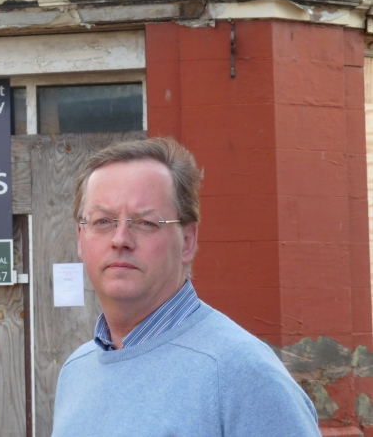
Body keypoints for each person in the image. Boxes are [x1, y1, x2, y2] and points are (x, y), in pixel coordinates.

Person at [51, 137, 319, 437]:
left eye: (145, 222)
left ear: (188, 242)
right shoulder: (76, 372)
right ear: (79, 238)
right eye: (103, 221)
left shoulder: (243, 374)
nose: (120, 239)